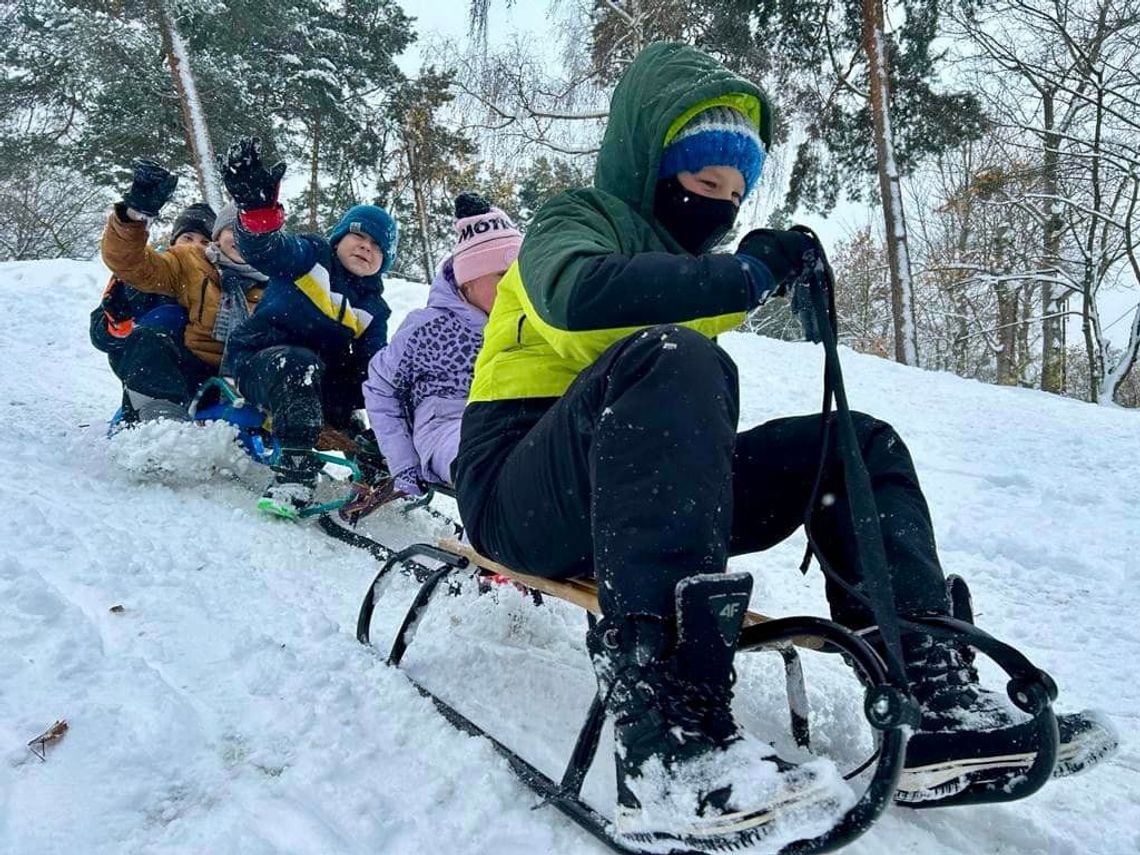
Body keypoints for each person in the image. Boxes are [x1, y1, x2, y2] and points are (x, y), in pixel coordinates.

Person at [453, 42, 1097, 849]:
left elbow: (695, 314)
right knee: (678, 357)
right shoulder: (573, 221)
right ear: (650, 161)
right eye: (702, 182)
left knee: (854, 443)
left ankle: (928, 681)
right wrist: (748, 277)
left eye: (734, 192)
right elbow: (582, 296)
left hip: (647, 499)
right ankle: (666, 734)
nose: (720, 207)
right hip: (519, 488)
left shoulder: (693, 267)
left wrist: (782, 274)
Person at [220, 137, 396, 519]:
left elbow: (373, 367)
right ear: (340, 237)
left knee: (389, 384)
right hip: (260, 363)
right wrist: (258, 214)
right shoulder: (310, 257)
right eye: (359, 235)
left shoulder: (374, 309)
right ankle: (293, 471)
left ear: (384, 262)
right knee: (300, 364)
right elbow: (266, 250)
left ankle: (376, 460)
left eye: (377, 246)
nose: (366, 247)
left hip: (316, 380)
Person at [362, 192, 522, 504]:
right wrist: (404, 463)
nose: (515, 286)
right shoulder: (428, 329)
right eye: (503, 276)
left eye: (520, 276)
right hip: (447, 424)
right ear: (468, 283)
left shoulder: (527, 323)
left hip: (516, 418)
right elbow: (381, 386)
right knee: (491, 460)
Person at [100, 161, 265, 423]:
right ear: (219, 236)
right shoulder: (189, 262)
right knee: (160, 324)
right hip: (185, 371)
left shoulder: (276, 282)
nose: (241, 238)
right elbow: (132, 264)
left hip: (247, 381)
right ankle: (161, 425)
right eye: (234, 229)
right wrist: (135, 216)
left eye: (251, 231)